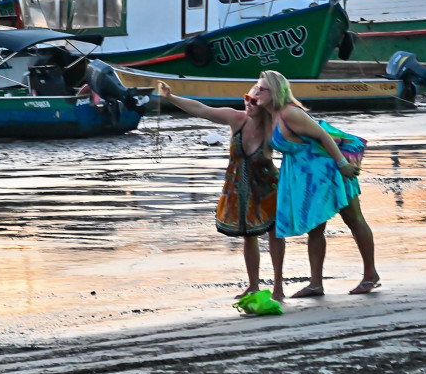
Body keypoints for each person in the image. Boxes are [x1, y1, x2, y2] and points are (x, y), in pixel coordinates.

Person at [252, 70, 380, 297]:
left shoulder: (290, 113)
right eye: (257, 87)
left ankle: (370, 275)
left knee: (354, 219)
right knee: (315, 228)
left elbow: (323, 135)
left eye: (262, 89)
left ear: (276, 91)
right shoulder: (268, 117)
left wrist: (342, 164)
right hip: (306, 178)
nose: (257, 92)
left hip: (330, 170)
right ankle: (315, 284)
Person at [158, 81, 285, 300]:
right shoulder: (236, 118)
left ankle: (278, 288)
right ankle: (253, 285)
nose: (248, 103)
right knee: (248, 236)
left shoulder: (274, 127)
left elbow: (302, 140)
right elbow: (202, 110)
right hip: (240, 188)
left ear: (266, 104)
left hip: (268, 187)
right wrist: (170, 97)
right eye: (247, 98)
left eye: (254, 101)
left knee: (275, 233)